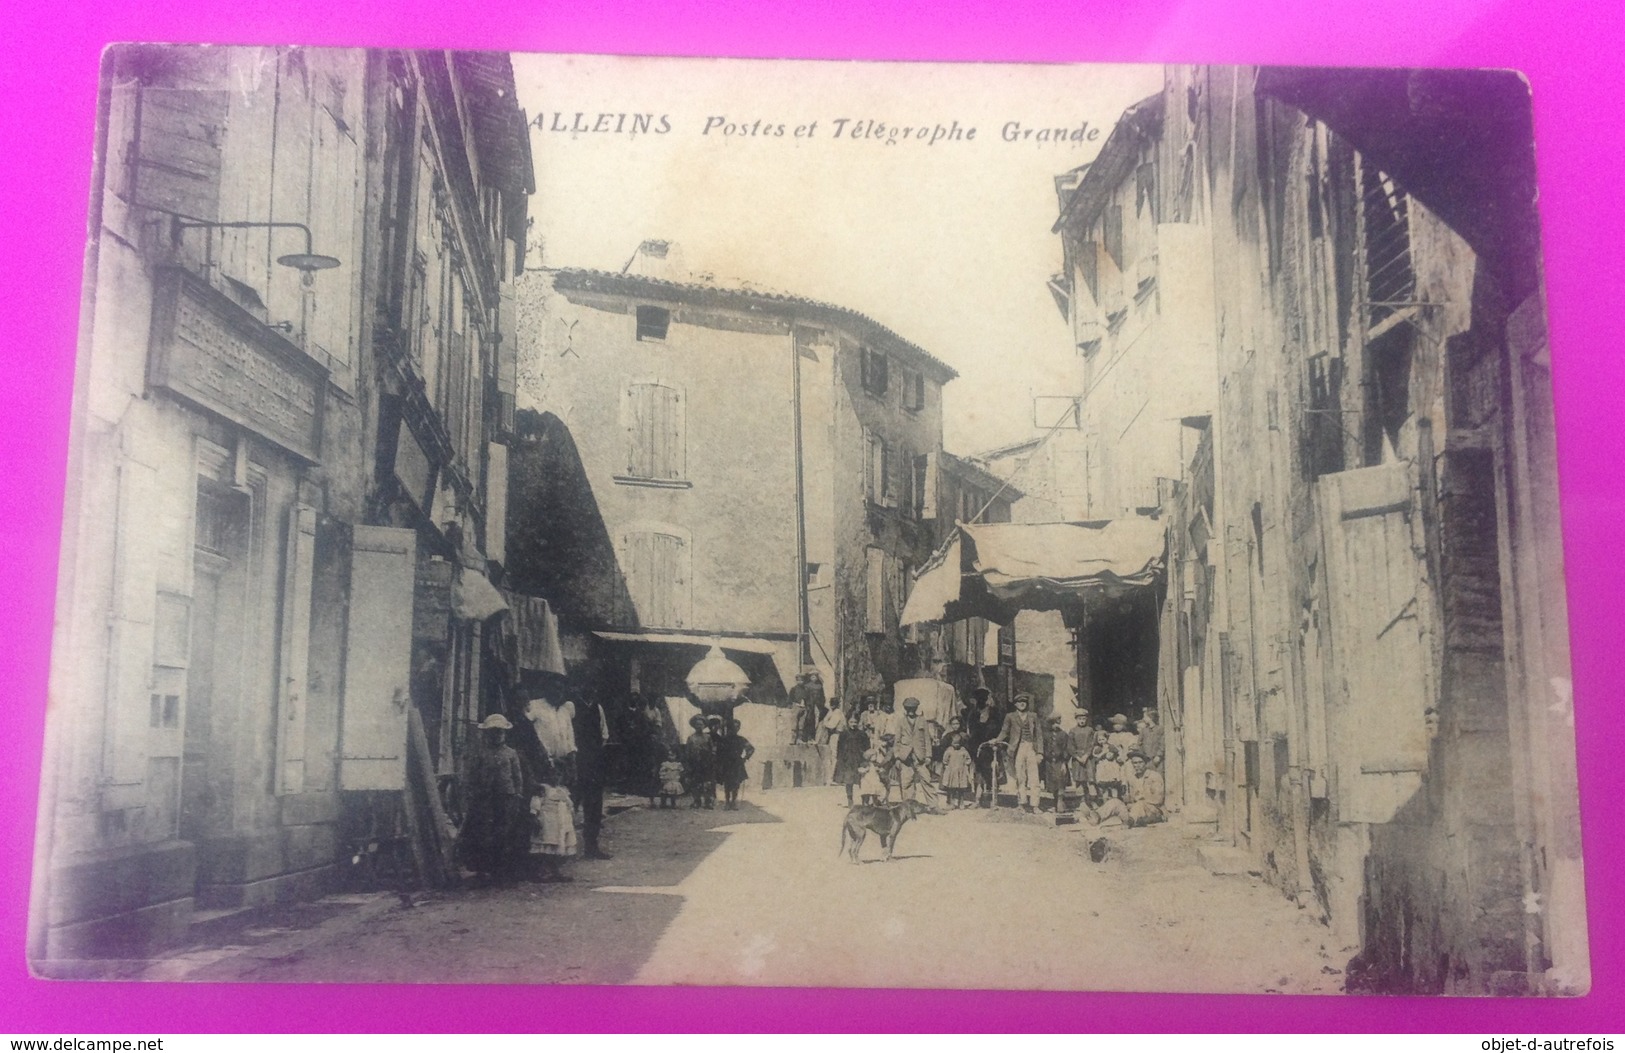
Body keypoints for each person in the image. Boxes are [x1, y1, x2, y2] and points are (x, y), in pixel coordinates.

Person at [457, 714, 529, 883]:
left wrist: (517, 795)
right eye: (493, 732)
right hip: (485, 798)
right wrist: (472, 794)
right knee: (483, 833)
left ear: (505, 734)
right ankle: (483, 870)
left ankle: (502, 872)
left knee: (504, 832)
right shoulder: (481, 754)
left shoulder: (511, 754)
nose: (497, 735)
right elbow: (472, 775)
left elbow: (517, 777)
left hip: (506, 797)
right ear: (487, 734)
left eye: (500, 732)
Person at [573, 691, 613, 860]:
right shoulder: (571, 706)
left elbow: (604, 734)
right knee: (570, 804)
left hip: (594, 762)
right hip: (575, 761)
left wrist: (595, 754)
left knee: (594, 805)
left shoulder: (597, 707)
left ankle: (591, 846)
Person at [1086, 750, 1166, 827]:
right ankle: (1097, 817)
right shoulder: (1132, 778)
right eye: (1134, 763)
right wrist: (1127, 802)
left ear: (1145, 763)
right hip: (1136, 813)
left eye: (1140, 762)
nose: (1137, 765)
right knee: (1115, 802)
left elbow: (1157, 800)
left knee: (1139, 804)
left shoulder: (1154, 776)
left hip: (1153, 812)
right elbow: (1130, 799)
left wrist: (1139, 801)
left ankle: (1130, 821)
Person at [994, 693, 1045, 812]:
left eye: (1024, 702)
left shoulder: (1033, 716)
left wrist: (1040, 752)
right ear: (1015, 704)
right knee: (1020, 776)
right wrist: (997, 740)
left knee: (1034, 777)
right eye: (1019, 702)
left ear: (1027, 703)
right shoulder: (1010, 716)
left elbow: (1039, 735)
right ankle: (1021, 803)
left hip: (1031, 747)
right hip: (1017, 749)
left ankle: (1035, 805)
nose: (1022, 704)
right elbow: (1004, 731)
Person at [891, 697, 935, 801]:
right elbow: (897, 741)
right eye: (908, 708)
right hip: (905, 757)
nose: (911, 711)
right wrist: (897, 757)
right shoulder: (901, 722)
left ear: (916, 708)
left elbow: (927, 739)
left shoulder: (922, 720)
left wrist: (928, 755)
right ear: (905, 709)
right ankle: (909, 807)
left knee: (927, 780)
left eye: (913, 708)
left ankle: (933, 806)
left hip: (920, 756)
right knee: (906, 782)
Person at [965, 686, 1002, 807]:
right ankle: (978, 799)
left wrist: (995, 740)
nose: (981, 700)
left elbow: (999, 729)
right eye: (978, 698)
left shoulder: (994, 713)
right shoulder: (973, 714)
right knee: (978, 773)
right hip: (977, 748)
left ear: (986, 699)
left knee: (991, 771)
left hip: (991, 747)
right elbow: (971, 731)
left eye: (983, 698)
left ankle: (993, 799)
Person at [715, 719, 756, 810]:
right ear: (730, 728)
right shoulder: (723, 740)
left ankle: (733, 802)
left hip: (737, 763)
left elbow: (751, 749)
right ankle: (727, 801)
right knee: (727, 783)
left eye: (737, 727)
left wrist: (745, 758)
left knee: (736, 783)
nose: (735, 729)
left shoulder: (741, 739)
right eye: (733, 727)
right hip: (726, 763)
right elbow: (718, 752)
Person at [831, 712, 871, 806]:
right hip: (848, 760)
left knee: (863, 781)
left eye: (855, 722)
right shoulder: (844, 734)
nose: (853, 724)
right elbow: (839, 748)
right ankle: (850, 800)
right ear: (848, 722)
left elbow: (867, 748)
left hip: (859, 760)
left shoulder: (862, 734)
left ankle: (864, 801)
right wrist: (840, 760)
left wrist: (866, 759)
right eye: (851, 722)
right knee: (849, 780)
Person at [1066, 710, 1099, 808]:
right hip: (1077, 760)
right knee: (1079, 780)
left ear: (1087, 719)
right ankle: (1082, 801)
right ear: (1076, 719)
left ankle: (1092, 801)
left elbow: (1091, 744)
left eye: (1084, 719)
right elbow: (1070, 746)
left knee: (1090, 780)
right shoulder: (1072, 731)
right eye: (1079, 719)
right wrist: (1077, 756)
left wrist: (1086, 755)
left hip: (1088, 759)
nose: (1082, 721)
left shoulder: (1090, 730)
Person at [683, 715, 716, 810]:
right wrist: (688, 763)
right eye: (697, 724)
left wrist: (711, 759)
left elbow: (712, 749)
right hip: (695, 763)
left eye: (701, 724)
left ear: (704, 726)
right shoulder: (691, 738)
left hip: (706, 763)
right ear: (694, 726)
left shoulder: (708, 737)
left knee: (707, 783)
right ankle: (696, 801)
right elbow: (688, 751)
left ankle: (708, 802)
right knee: (696, 782)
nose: (699, 726)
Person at [1042, 714, 1071, 812]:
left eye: (1057, 723)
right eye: (1053, 723)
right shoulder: (1046, 735)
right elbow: (1043, 747)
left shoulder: (1063, 734)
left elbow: (1067, 749)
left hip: (1060, 762)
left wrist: (1064, 762)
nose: (1055, 725)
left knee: (1060, 782)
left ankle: (1060, 801)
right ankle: (1054, 803)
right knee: (1052, 784)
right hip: (1049, 763)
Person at [939, 732, 975, 809]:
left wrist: (966, 764)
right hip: (952, 772)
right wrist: (947, 766)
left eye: (958, 743)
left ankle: (961, 802)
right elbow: (945, 760)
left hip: (961, 772)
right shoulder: (949, 750)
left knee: (961, 788)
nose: (956, 745)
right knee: (951, 788)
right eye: (954, 743)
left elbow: (968, 759)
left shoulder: (963, 750)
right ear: (951, 742)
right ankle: (951, 803)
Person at [859, 732, 897, 805]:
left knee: (886, 785)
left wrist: (879, 765)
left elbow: (887, 759)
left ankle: (884, 800)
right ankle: (881, 800)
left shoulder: (890, 749)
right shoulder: (881, 748)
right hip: (880, 769)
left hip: (886, 768)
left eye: (883, 741)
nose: (881, 742)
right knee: (881, 785)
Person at [1138, 707, 1165, 771]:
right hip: (1145, 759)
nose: (1143, 718)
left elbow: (1162, 743)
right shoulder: (1144, 730)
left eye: (1145, 717)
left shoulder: (1159, 729)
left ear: (1151, 718)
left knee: (1157, 776)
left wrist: (1159, 755)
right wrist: (1141, 755)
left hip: (1156, 759)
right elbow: (1139, 743)